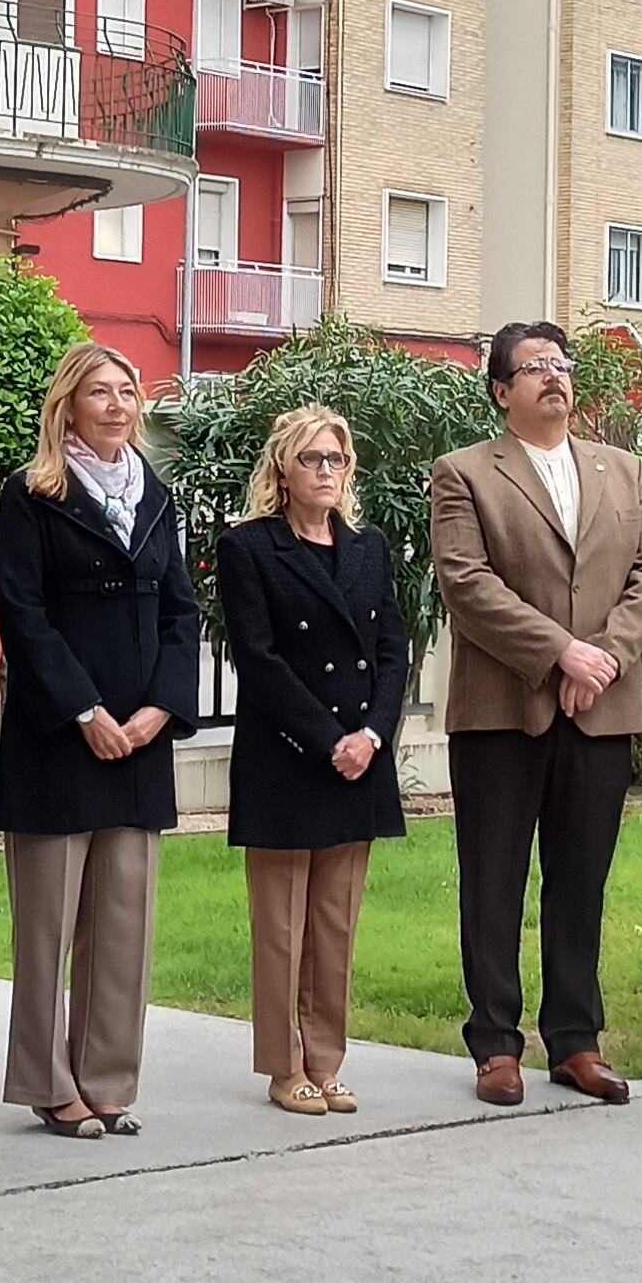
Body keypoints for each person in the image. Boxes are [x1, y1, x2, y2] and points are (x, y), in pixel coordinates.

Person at [429, 321, 642, 1105]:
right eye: (533, 368)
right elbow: (467, 584)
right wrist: (560, 654)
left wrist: (602, 656)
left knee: (581, 882)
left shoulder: (624, 471)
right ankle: (496, 1045)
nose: (553, 378)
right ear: (503, 392)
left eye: (560, 365)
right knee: (493, 882)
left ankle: (576, 1040)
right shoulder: (464, 472)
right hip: (504, 709)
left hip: (600, 710)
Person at [0, 342, 201, 1139]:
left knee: (124, 922)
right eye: (99, 392)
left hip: (141, 738)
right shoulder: (33, 493)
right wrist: (85, 711)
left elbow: (182, 612)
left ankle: (108, 1080)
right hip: (61, 737)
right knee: (48, 926)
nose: (118, 404)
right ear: (67, 406)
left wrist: (159, 712)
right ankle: (49, 1083)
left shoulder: (155, 495)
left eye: (127, 390)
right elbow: (26, 615)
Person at [217, 404, 406, 1116]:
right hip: (288, 757)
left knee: (335, 925)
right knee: (282, 926)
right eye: (312, 460)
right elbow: (258, 660)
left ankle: (327, 1061)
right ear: (282, 472)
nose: (327, 472)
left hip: (360, 758)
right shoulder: (251, 548)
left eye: (337, 461)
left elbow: (393, 649)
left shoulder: (368, 548)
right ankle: (283, 1064)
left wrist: (373, 737)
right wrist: (329, 739)